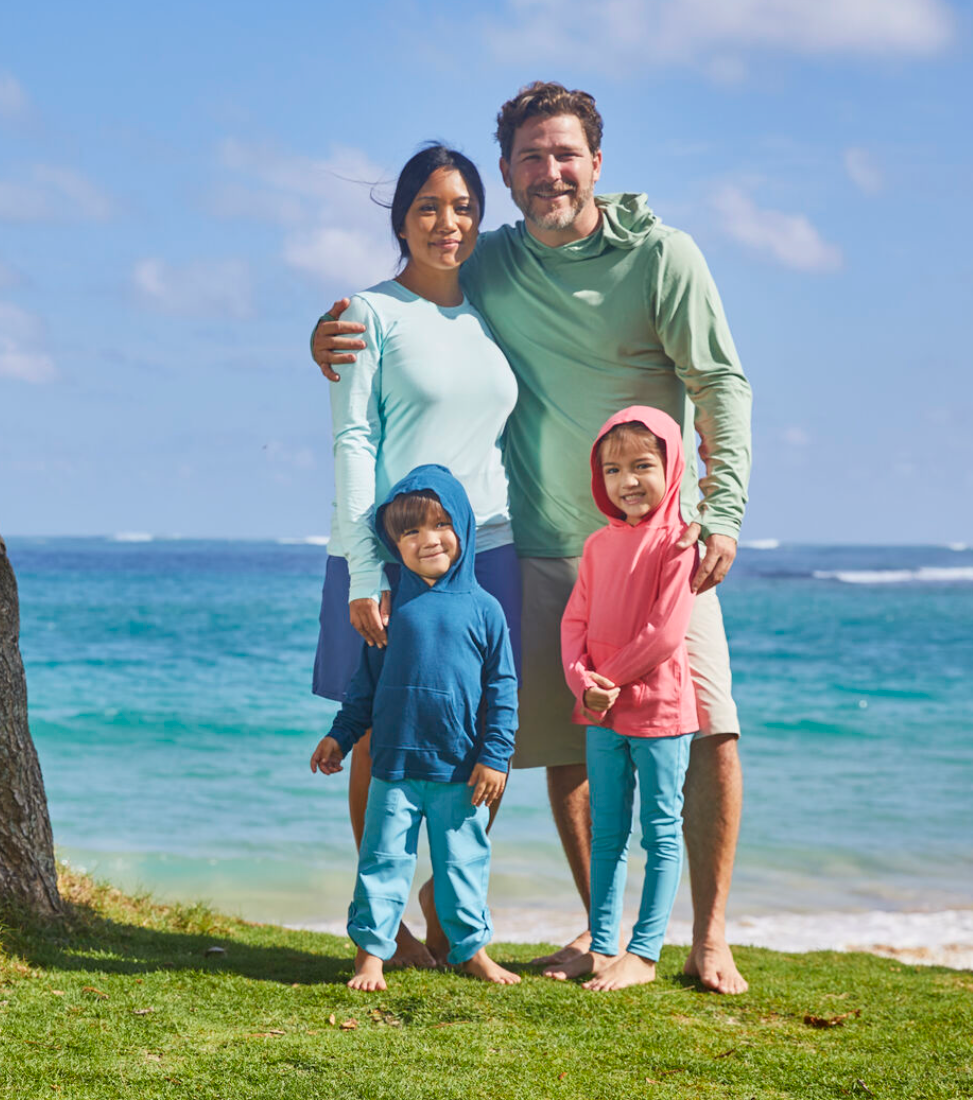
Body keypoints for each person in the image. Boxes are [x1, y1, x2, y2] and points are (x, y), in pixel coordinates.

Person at [311, 82, 754, 993]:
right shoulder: (476, 268)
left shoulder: (647, 259)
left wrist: (723, 510)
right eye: (528, 158)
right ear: (510, 174)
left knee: (697, 730)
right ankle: (554, 935)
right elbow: (390, 336)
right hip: (510, 548)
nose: (548, 172)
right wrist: (327, 335)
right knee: (544, 744)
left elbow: (720, 382)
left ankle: (704, 941)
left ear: (596, 160)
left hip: (636, 548)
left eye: (565, 154)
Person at [311, 144, 521, 967]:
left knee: (481, 735)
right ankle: (386, 924)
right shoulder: (367, 313)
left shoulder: (488, 313)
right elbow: (354, 438)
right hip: (391, 553)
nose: (449, 222)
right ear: (400, 217)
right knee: (379, 736)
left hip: (489, 549)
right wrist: (369, 568)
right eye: (429, 206)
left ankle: (447, 896)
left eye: (464, 205)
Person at [310, 466, 519, 991]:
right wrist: (339, 734)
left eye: (441, 524)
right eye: (410, 532)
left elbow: (503, 692)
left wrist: (495, 757)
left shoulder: (486, 611)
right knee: (382, 864)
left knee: (465, 863)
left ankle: (472, 951)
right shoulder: (389, 611)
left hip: (460, 770)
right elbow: (364, 687)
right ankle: (371, 957)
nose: (428, 540)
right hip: (394, 769)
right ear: (394, 544)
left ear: (465, 528)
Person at [551, 407, 698, 990]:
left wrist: (604, 680)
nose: (627, 481)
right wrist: (582, 683)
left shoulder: (680, 543)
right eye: (613, 469)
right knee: (607, 831)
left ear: (672, 466)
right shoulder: (596, 546)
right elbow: (574, 621)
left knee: (660, 831)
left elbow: (664, 633)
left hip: (659, 711)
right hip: (600, 713)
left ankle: (643, 953)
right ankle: (601, 944)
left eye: (642, 465)